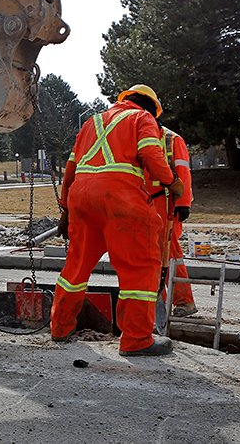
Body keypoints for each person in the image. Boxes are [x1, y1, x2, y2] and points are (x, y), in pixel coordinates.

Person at [50, 84, 184, 357]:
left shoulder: (92, 122)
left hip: (82, 199)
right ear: (150, 107)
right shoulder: (142, 118)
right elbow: (150, 154)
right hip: (121, 198)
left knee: (76, 267)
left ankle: (60, 327)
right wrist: (173, 183)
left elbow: (71, 167)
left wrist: (65, 210)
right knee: (141, 267)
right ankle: (136, 339)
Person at [148, 124, 197, 317]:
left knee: (170, 253)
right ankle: (158, 301)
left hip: (168, 204)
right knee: (151, 254)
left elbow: (183, 172)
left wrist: (183, 202)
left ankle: (184, 301)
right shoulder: (138, 136)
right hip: (147, 202)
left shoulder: (171, 139)